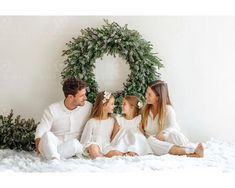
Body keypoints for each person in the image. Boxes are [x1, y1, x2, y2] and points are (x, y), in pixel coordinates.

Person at [141, 80, 204, 158]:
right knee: (149, 141)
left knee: (173, 135)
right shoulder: (144, 110)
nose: (146, 96)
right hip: (155, 143)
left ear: (158, 97)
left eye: (149, 94)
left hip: (170, 139)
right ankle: (190, 151)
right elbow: (141, 130)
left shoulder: (168, 109)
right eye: (146, 93)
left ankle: (186, 150)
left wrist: (164, 133)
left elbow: (172, 127)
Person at [35, 77, 92, 161]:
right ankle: (53, 158)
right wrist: (43, 150)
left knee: (75, 144)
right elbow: (39, 135)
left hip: (72, 148)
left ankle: (53, 158)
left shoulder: (88, 107)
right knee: (47, 135)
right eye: (81, 96)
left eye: (85, 94)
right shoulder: (52, 109)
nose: (85, 98)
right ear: (70, 97)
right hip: (54, 145)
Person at [80, 91, 115, 159]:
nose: (114, 106)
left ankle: (103, 158)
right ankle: (100, 159)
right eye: (112, 104)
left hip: (107, 146)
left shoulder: (112, 120)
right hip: (94, 146)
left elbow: (114, 138)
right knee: (93, 146)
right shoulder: (92, 122)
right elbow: (85, 140)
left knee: (115, 152)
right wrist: (89, 147)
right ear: (103, 105)